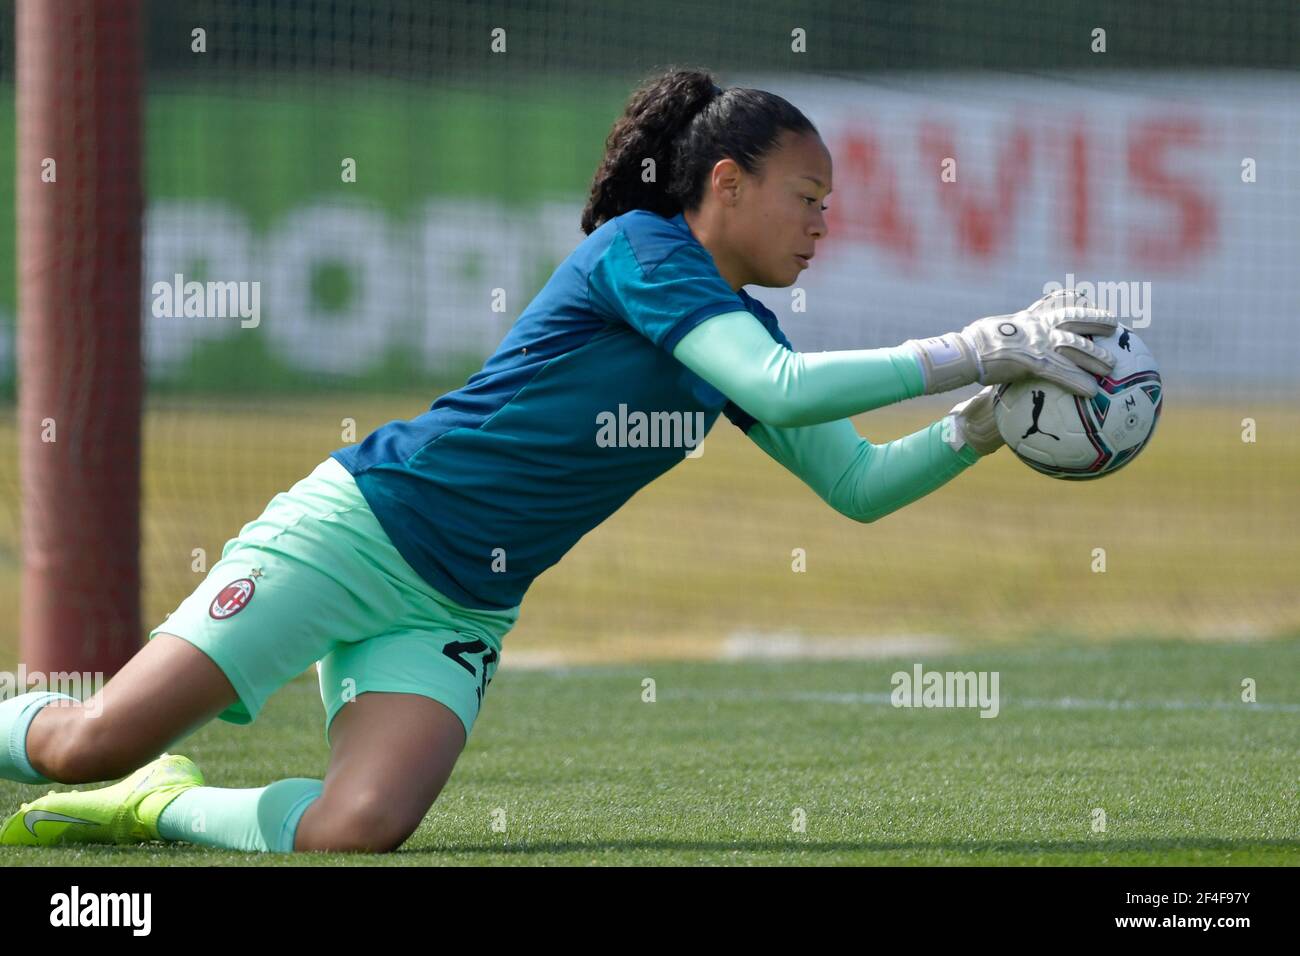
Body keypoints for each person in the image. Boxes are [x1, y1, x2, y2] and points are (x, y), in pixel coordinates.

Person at [0, 68, 1115, 853]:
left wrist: (978, 424)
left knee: (356, 829)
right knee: (85, 741)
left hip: (460, 605)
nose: (821, 225)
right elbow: (779, 390)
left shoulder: (741, 335)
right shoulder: (641, 251)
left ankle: (157, 807)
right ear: (724, 182)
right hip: (358, 530)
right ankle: (115, 771)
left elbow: (858, 488)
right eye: (806, 198)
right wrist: (971, 344)